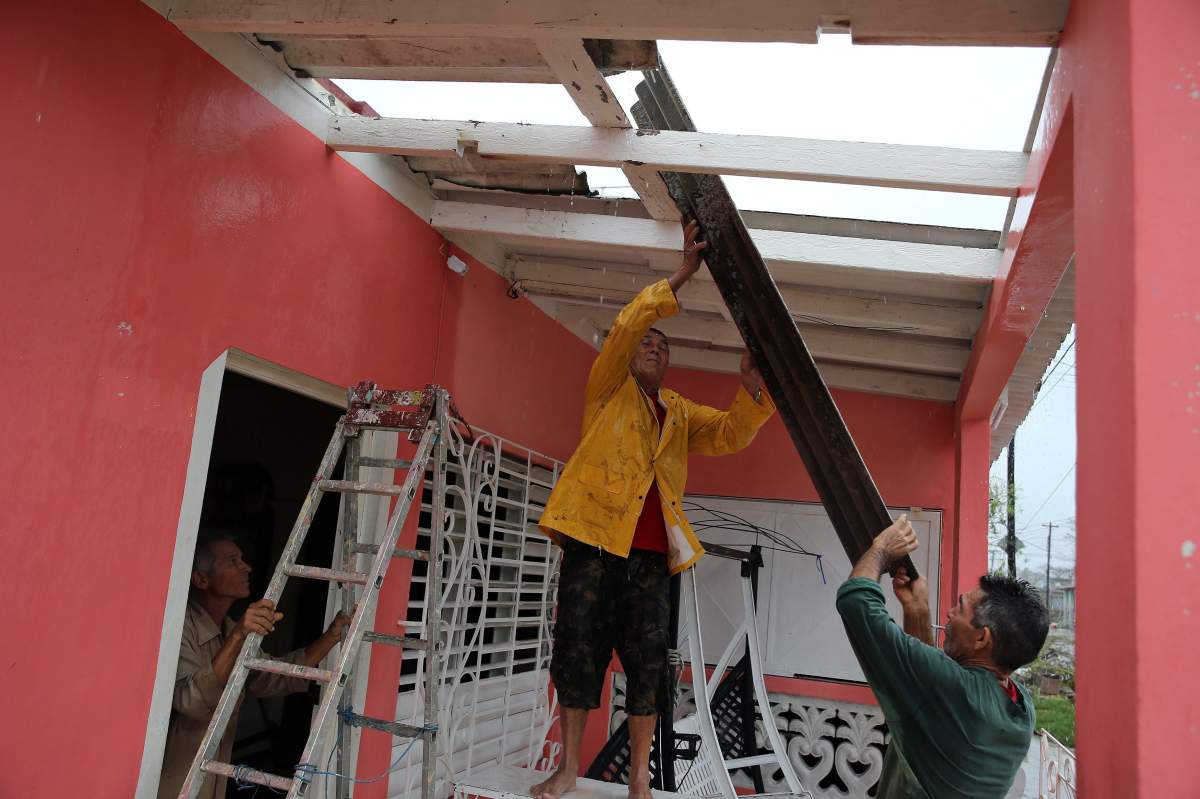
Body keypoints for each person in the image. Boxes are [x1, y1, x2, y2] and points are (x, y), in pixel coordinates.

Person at [533, 219, 776, 799]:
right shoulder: (607, 389)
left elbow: (730, 434)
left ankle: (640, 780)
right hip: (593, 542)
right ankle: (568, 769)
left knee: (648, 667)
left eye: (661, 346)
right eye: (648, 341)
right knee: (578, 653)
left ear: (666, 365)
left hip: (649, 561)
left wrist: (754, 391)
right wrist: (684, 273)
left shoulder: (678, 411)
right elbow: (628, 324)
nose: (652, 346)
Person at [836, 515, 1050, 798]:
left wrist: (881, 548)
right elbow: (929, 692)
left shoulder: (954, 690)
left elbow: (856, 603)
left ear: (981, 638)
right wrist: (917, 612)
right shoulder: (1020, 707)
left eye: (960, 607)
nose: (949, 613)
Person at [158, 533, 351, 799]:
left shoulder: (228, 629)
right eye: (232, 561)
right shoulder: (182, 628)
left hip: (211, 778)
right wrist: (239, 635)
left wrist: (331, 636)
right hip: (170, 779)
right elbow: (191, 702)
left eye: (243, 559)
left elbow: (270, 677)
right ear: (202, 579)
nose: (246, 567)